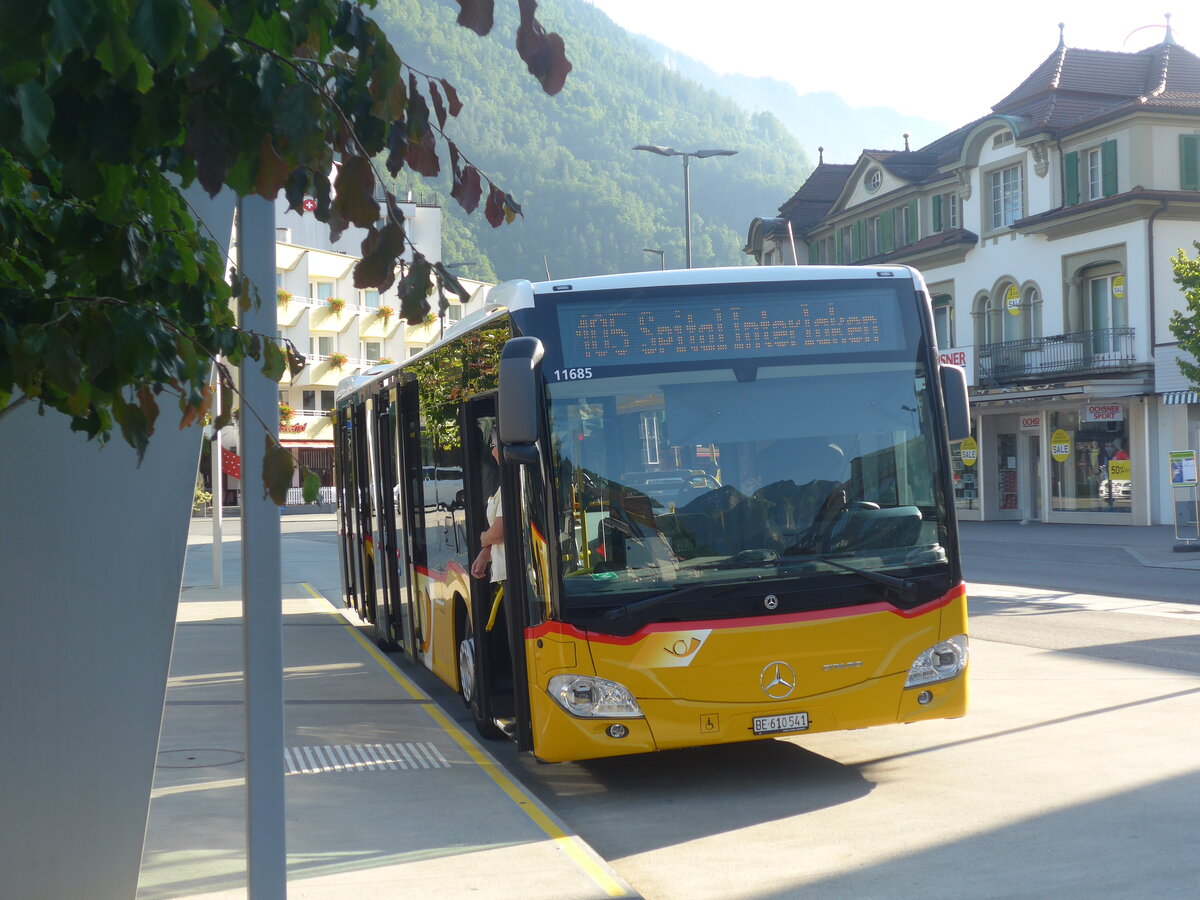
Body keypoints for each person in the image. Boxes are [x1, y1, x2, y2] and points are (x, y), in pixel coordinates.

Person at [471, 432, 506, 584]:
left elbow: (499, 533)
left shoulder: (512, 485)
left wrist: (484, 538)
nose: (492, 452)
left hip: (511, 572)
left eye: (493, 446)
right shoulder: (503, 485)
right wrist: (485, 552)